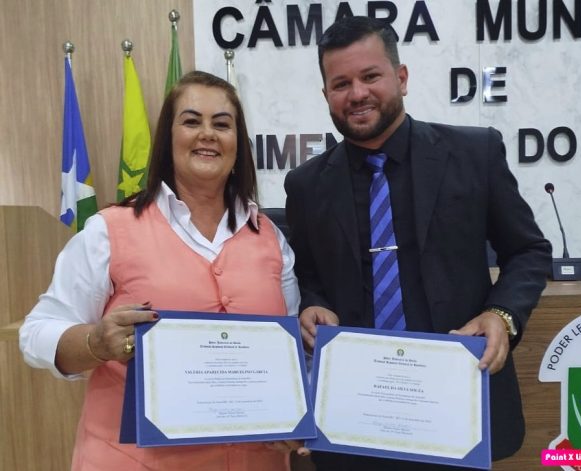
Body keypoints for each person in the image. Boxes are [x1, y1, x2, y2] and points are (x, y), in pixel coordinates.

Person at [284, 16, 552, 471]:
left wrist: (501, 315)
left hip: (458, 406)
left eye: (371, 76)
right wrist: (312, 303)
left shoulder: (475, 153)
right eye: (341, 83)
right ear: (326, 93)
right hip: (353, 420)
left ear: (401, 77)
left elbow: (528, 251)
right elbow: (308, 273)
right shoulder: (306, 184)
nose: (357, 94)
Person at [20, 71, 307, 470]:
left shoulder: (270, 238)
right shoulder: (108, 231)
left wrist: (294, 412)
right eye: (191, 121)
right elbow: (35, 334)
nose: (207, 134)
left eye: (222, 124)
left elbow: (289, 355)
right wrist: (95, 344)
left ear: (238, 144)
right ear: (167, 139)